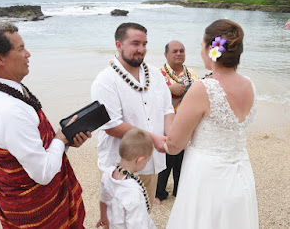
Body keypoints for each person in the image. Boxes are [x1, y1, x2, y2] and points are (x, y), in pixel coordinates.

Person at [0, 22, 91, 228]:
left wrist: (65, 142)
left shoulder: (5, 91)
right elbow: (43, 173)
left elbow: (35, 149)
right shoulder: (9, 109)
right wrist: (60, 139)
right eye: (20, 49)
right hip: (37, 215)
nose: (28, 54)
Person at [165, 19, 259, 229]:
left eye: (201, 45)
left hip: (207, 178)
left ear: (212, 50)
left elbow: (174, 145)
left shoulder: (203, 89)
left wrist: (166, 112)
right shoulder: (250, 85)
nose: (200, 51)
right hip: (241, 173)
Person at [91, 22, 175, 205]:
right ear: (118, 45)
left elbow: (167, 109)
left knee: (144, 215)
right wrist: (154, 139)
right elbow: (112, 126)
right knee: (119, 219)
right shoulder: (105, 80)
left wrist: (170, 136)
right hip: (120, 165)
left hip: (152, 161)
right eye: (135, 44)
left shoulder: (155, 74)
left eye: (144, 44)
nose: (141, 49)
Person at [155, 40, 198, 205]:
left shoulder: (192, 74)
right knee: (165, 161)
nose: (179, 54)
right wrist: (169, 91)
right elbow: (150, 100)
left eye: (182, 50)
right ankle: (159, 193)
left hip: (187, 123)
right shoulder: (157, 74)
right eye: (175, 51)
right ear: (166, 55)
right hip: (165, 124)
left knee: (183, 161)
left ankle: (180, 191)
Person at [96, 129, 156, 229]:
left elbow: (103, 199)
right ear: (140, 160)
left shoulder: (107, 174)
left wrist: (103, 217)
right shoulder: (134, 192)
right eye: (148, 160)